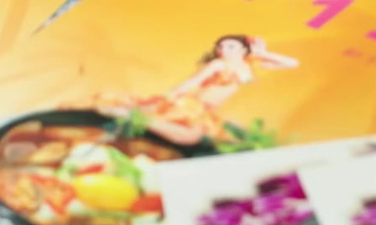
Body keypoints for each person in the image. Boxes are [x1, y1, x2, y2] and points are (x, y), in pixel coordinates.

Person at [83, 34, 299, 147]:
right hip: (191, 104)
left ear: (243, 49)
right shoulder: (218, 65)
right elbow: (195, 80)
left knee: (222, 134)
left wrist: (264, 52)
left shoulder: (248, 66)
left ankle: (133, 117)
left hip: (208, 111)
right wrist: (174, 93)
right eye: (221, 46)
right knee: (189, 135)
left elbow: (292, 63)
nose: (223, 50)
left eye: (230, 46)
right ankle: (131, 116)